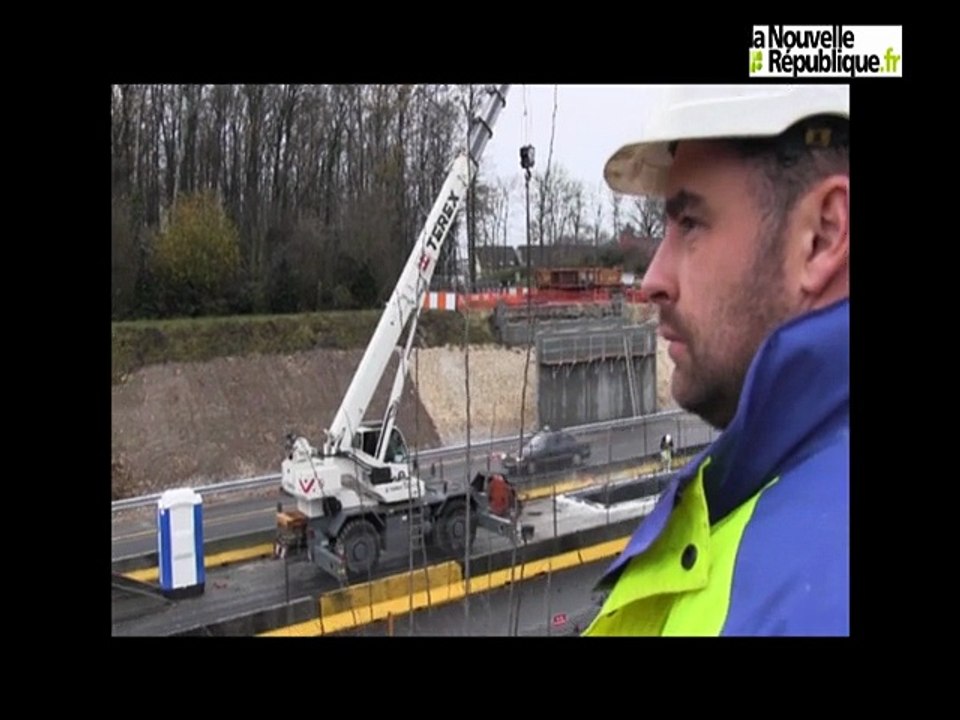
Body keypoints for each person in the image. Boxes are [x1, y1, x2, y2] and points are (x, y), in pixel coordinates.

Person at [583, 85, 849, 636]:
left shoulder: (814, 598)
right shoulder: (768, 488)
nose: (653, 279)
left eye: (690, 224)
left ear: (822, 237)